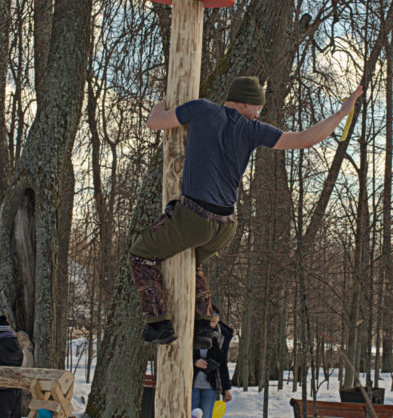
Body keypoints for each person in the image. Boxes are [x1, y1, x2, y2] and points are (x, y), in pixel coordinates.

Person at [130, 77, 363, 347]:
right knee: (191, 262)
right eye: (257, 106)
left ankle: (158, 325)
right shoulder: (252, 129)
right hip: (226, 224)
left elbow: (153, 123)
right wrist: (340, 113)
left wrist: (160, 107)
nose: (259, 112)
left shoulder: (201, 109)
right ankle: (204, 327)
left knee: (141, 255)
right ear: (242, 102)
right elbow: (304, 140)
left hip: (194, 216)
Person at [191, 307, 233, 418]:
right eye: (210, 316)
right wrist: (194, 362)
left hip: (210, 385)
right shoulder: (195, 332)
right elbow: (184, 354)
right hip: (193, 383)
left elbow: (222, 364)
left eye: (216, 315)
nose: (213, 318)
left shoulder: (222, 337)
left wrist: (226, 389)